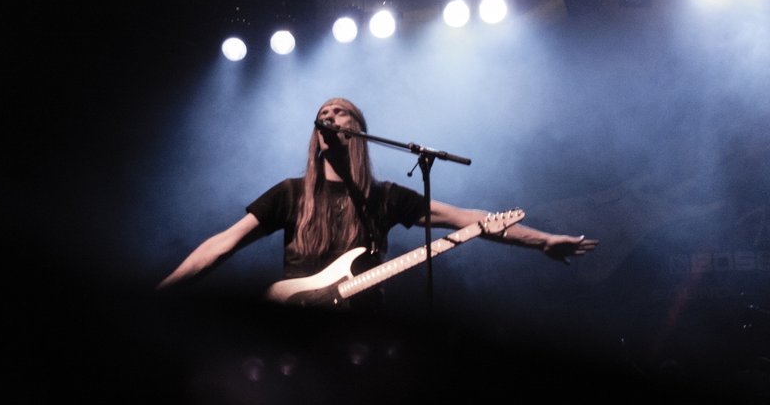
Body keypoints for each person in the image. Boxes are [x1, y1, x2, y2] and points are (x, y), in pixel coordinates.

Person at [157, 98, 598, 311]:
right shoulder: (290, 193)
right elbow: (223, 243)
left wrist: (541, 241)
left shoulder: (384, 197)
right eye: (322, 115)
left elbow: (473, 220)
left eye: (339, 112)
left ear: (357, 128)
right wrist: (163, 291)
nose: (328, 117)